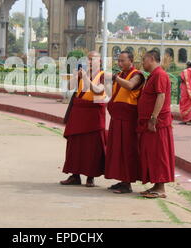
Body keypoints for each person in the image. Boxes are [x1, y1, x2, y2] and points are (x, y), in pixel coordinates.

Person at [60, 51, 106, 187]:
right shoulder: (82, 74)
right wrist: (75, 76)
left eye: (93, 59)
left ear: (100, 61)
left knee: (93, 147)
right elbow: (69, 87)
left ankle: (90, 177)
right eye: (88, 59)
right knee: (75, 145)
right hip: (79, 112)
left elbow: (98, 91)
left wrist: (86, 78)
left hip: (93, 115)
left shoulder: (104, 76)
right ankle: (75, 175)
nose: (90, 62)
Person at [105, 51, 145, 194]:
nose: (119, 63)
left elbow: (129, 86)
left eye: (122, 61)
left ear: (131, 61)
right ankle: (122, 180)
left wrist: (115, 78)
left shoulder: (137, 75)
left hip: (128, 119)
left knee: (127, 149)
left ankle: (127, 183)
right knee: (117, 149)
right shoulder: (121, 74)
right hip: (118, 116)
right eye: (118, 61)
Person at [137, 50, 175, 199]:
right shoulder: (153, 75)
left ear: (152, 59)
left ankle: (161, 188)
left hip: (157, 123)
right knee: (151, 154)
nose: (142, 63)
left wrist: (153, 118)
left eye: (144, 60)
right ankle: (156, 185)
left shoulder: (160, 74)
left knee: (159, 154)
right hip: (150, 123)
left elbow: (161, 96)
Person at [179, 61, 191, 125]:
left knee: (185, 104)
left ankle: (185, 120)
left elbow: (182, 80)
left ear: (187, 65)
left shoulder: (184, 71)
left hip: (186, 90)